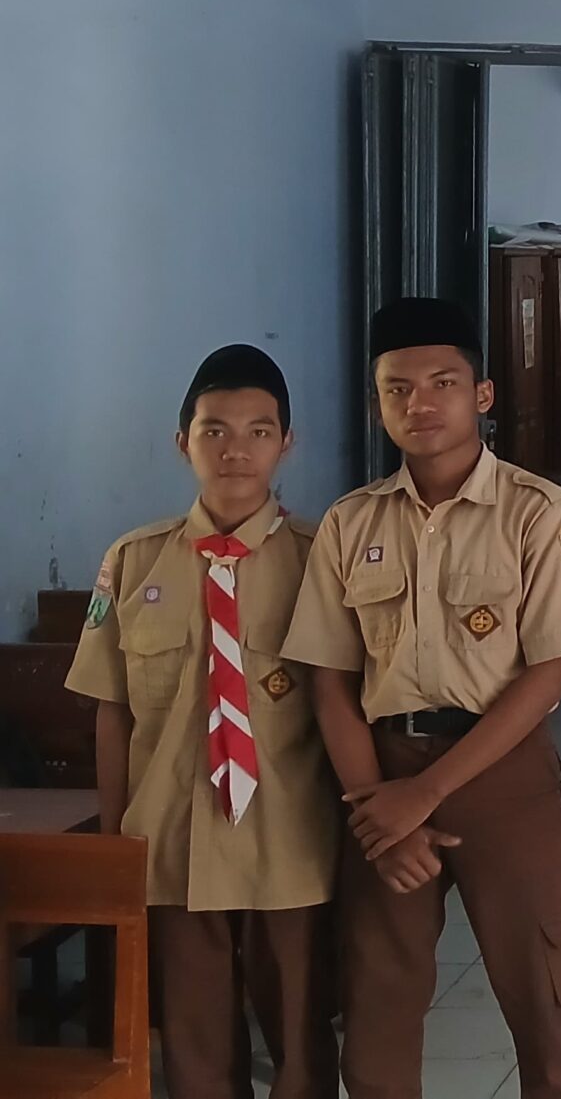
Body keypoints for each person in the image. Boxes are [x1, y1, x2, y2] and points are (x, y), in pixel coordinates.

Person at [284, 298, 561, 1098]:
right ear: (377, 403)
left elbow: (554, 671)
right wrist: (376, 806)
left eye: (442, 383)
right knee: (377, 996)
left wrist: (423, 794)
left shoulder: (540, 513)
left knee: (549, 994)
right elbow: (330, 681)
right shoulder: (349, 522)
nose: (420, 403)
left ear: (483, 394)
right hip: (379, 770)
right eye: (397, 388)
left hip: (503, 772)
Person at [67, 345, 338, 1099]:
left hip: (290, 841)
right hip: (172, 846)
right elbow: (113, 713)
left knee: (302, 1043)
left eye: (258, 431)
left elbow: (344, 709)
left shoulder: (323, 560)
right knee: (195, 1053)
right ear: (182, 440)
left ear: (287, 443)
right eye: (214, 430)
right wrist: (117, 841)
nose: (235, 450)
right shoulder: (133, 562)